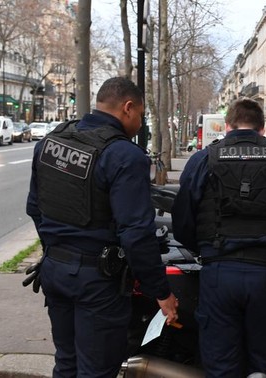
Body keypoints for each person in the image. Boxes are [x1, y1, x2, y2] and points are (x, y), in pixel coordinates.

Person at [26, 77, 178, 377]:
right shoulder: (125, 156)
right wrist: (161, 292)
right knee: (97, 370)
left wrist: (57, 250)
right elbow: (136, 234)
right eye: (141, 115)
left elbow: (34, 208)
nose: (139, 122)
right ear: (128, 108)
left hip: (54, 270)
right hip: (96, 282)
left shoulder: (51, 142)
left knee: (67, 363)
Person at [171, 98, 266, 377]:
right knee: (265, 366)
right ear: (262, 128)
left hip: (219, 273)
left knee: (221, 366)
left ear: (228, 125)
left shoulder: (203, 159)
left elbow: (183, 220)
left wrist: (207, 250)